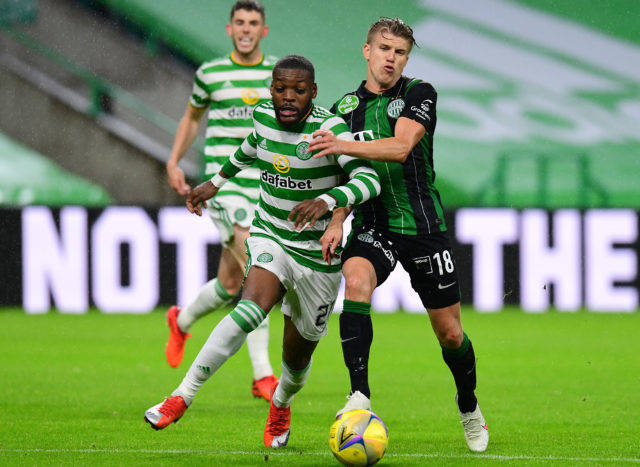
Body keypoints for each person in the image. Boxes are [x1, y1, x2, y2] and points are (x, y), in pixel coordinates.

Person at [144, 55, 381, 449]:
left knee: (296, 361)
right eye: (280, 89)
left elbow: (369, 179)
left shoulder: (330, 129)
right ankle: (181, 396)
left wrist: (327, 202)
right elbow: (249, 148)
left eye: (298, 90)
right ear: (271, 89)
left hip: (317, 257)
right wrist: (215, 183)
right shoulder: (263, 117)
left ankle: (281, 403)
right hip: (271, 235)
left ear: (313, 92)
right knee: (249, 308)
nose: (288, 97)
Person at [308, 17, 489, 453]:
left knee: (450, 334)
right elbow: (347, 175)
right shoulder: (343, 108)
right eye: (384, 49)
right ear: (367, 51)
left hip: (424, 227)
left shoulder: (419, 93)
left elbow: (401, 147)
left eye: (400, 52)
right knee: (355, 279)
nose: (391, 58)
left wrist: (342, 143)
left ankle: (468, 404)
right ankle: (359, 394)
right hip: (374, 225)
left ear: (406, 59)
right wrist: (337, 219)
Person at [164, 0, 277, 401]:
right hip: (222, 183)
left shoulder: (277, 75)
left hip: (266, 183)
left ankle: (182, 320)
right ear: (229, 29)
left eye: (253, 23)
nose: (246, 29)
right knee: (256, 265)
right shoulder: (209, 73)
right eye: (240, 22)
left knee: (231, 283)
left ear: (263, 31)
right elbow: (192, 118)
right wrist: (174, 161)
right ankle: (263, 374)